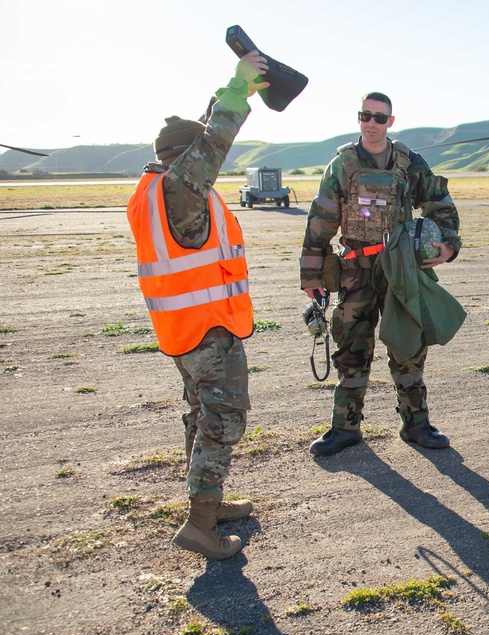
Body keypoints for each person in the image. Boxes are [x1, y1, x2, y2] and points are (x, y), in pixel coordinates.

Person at [126, 51, 270, 560]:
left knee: (200, 413)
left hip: (184, 329)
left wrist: (229, 95)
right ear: (186, 159)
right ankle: (200, 524)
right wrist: (238, 85)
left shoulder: (155, 190)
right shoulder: (181, 191)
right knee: (222, 419)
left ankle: (208, 500)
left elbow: (202, 136)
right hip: (207, 329)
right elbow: (215, 138)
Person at [300, 92, 462, 457]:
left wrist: (449, 244)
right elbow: (321, 219)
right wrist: (312, 275)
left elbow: (439, 200)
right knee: (352, 346)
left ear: (390, 121)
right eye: (365, 115)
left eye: (379, 117)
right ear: (359, 119)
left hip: (400, 268)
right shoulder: (342, 164)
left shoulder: (407, 162)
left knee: (408, 345)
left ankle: (415, 423)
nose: (371, 123)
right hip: (355, 271)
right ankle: (345, 427)